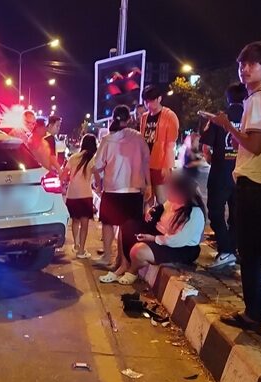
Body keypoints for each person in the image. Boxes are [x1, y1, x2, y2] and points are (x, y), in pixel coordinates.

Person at [209, 41, 261, 331]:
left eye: (251, 64)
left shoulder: (257, 99)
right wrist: (239, 138)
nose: (244, 69)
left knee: (249, 250)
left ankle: (252, 314)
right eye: (241, 64)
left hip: (254, 183)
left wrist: (226, 125)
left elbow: (255, 146)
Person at [102, 174, 205, 284]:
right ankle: (124, 265)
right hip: (161, 236)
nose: (168, 191)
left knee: (138, 251)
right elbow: (159, 214)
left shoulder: (194, 213)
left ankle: (132, 271)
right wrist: (150, 213)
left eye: (172, 189)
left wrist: (154, 239)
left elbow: (178, 240)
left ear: (182, 193)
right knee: (128, 226)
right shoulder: (172, 203)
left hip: (180, 248)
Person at [94, 105, 151, 269]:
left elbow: (97, 165)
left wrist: (98, 182)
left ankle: (107, 256)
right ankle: (121, 260)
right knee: (125, 227)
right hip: (134, 189)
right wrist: (148, 185)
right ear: (129, 119)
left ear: (113, 118)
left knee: (108, 223)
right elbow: (146, 162)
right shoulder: (138, 138)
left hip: (113, 188)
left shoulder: (107, 139)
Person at [200, 83, 247, 269]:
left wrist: (215, 160)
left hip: (220, 173)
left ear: (228, 98)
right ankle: (232, 249)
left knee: (215, 211)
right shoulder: (250, 117)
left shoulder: (219, 118)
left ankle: (226, 250)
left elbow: (206, 147)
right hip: (242, 174)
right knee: (237, 215)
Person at [140, 85, 180, 204]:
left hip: (160, 164)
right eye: (146, 101)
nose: (148, 104)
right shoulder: (144, 117)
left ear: (159, 99)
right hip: (145, 165)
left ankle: (164, 217)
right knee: (147, 199)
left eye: (151, 101)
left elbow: (170, 144)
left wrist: (167, 166)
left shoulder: (169, 116)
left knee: (162, 200)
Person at [62, 134, 98, 259]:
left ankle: (76, 245)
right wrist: (98, 185)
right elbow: (97, 176)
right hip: (85, 195)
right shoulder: (92, 159)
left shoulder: (73, 157)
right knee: (84, 223)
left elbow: (64, 174)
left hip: (72, 195)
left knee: (75, 221)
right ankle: (81, 251)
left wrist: (64, 183)